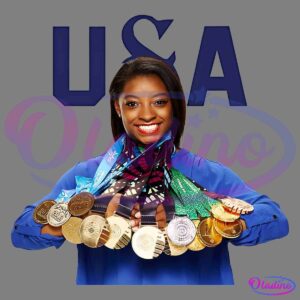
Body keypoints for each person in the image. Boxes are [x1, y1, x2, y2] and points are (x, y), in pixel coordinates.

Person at [11, 56, 289, 285]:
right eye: (132, 104)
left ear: (174, 108)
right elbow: (22, 232)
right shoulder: (89, 176)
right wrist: (88, 211)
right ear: (117, 109)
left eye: (159, 102)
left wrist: (196, 210)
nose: (146, 115)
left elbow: (276, 221)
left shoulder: (206, 174)